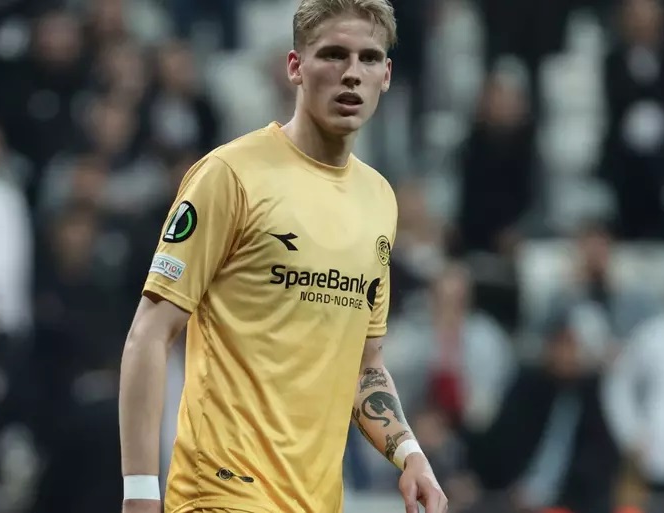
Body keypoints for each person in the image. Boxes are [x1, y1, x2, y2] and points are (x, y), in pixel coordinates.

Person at [118, 0, 448, 512]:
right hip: (222, 493)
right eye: (333, 55)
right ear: (295, 67)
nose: (351, 73)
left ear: (386, 76)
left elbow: (366, 365)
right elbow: (149, 332)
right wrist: (139, 492)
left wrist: (410, 454)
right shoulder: (230, 175)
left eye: (368, 58)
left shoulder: (379, 200)